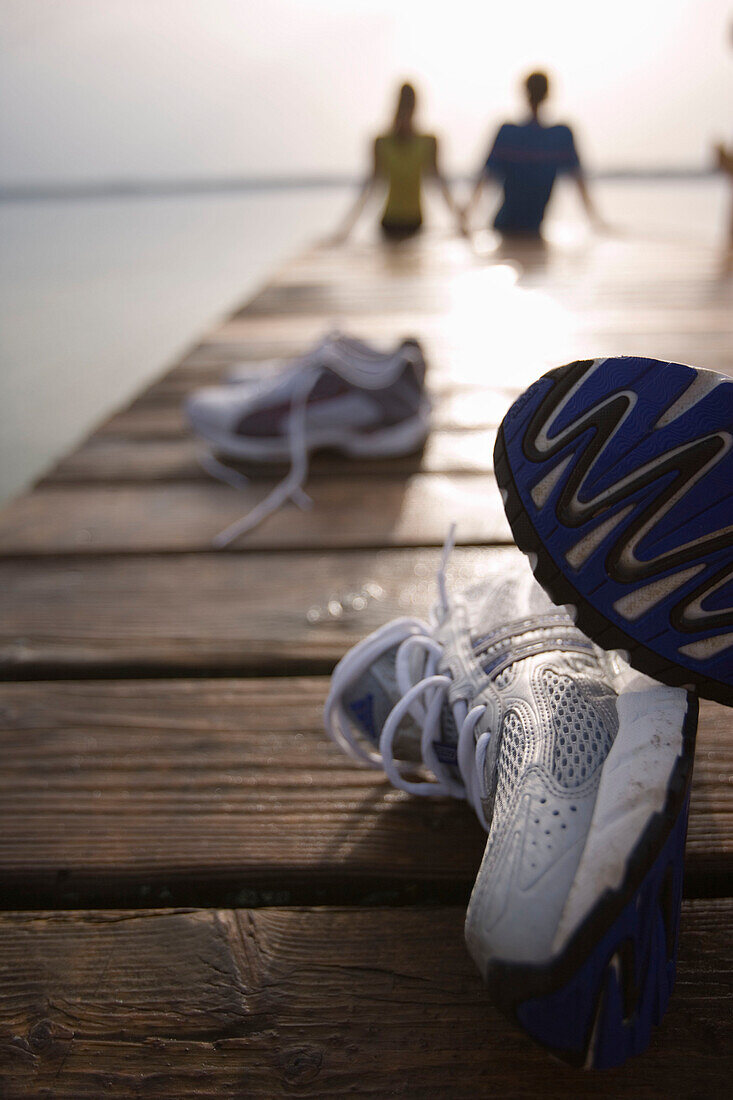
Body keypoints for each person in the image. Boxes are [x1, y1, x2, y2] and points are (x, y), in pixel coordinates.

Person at [465, 70, 603, 237]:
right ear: (548, 94)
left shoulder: (509, 132)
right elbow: (580, 185)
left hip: (513, 230)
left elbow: (483, 180)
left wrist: (465, 219)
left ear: (524, 92)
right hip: (517, 229)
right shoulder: (560, 135)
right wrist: (597, 222)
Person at [333, 82, 465, 242]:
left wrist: (460, 221)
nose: (406, 109)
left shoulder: (428, 142)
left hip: (416, 223)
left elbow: (440, 184)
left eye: (409, 104)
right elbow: (371, 187)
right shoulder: (381, 142)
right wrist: (345, 229)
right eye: (403, 104)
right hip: (389, 222)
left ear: (416, 107)